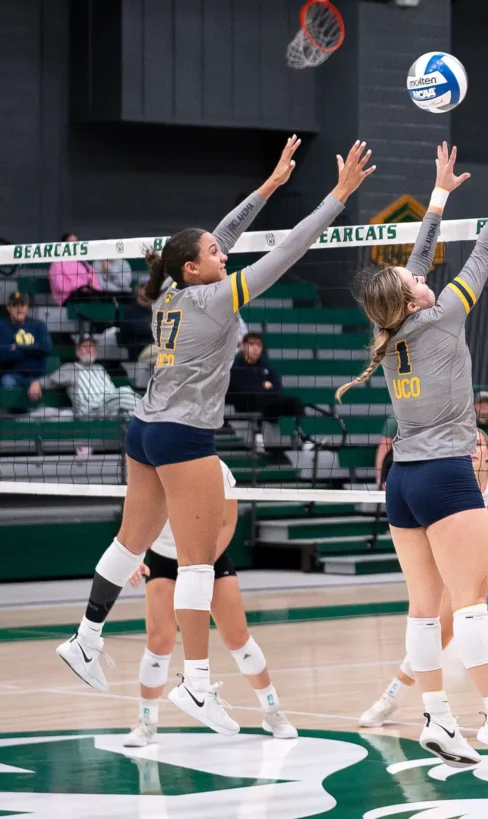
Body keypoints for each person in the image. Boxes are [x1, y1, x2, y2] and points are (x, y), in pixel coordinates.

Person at [56, 136, 375, 737]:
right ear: (194, 267)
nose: (222, 254)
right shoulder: (216, 297)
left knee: (131, 543)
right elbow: (286, 253)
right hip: (181, 437)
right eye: (212, 253)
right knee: (196, 561)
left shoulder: (171, 292)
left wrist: (271, 185)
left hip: (145, 428)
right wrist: (336, 196)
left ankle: (85, 636)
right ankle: (198, 685)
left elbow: (222, 234)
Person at [335, 143, 488, 766]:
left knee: (423, 610)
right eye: (415, 283)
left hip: (402, 482)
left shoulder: (388, 330)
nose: (422, 277)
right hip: (443, 476)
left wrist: (438, 196)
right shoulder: (445, 315)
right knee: (470, 605)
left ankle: (435, 717)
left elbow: (414, 261)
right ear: (413, 301)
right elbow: (484, 251)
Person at [359, 428, 488, 728]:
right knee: (436, 636)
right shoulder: (453, 486)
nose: (473, 449)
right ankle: (389, 699)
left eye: (479, 444)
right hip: (467, 569)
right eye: (467, 444)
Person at [123, 459, 297, 746]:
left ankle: (273, 710)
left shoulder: (218, 469)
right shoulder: (153, 466)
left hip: (208, 554)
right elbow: (137, 517)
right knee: (159, 641)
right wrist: (132, 555)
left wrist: (200, 566)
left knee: (238, 638)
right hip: (164, 559)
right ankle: (146, 721)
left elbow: (228, 523)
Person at [0, 291, 52, 391]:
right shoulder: (1, 326)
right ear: (8, 308)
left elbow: (46, 348)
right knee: (7, 382)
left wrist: (18, 347)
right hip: (12, 375)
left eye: (22, 305)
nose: (19, 309)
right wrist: (33, 351)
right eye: (14, 305)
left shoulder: (38, 325)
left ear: (27, 307)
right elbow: (2, 354)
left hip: (37, 377)